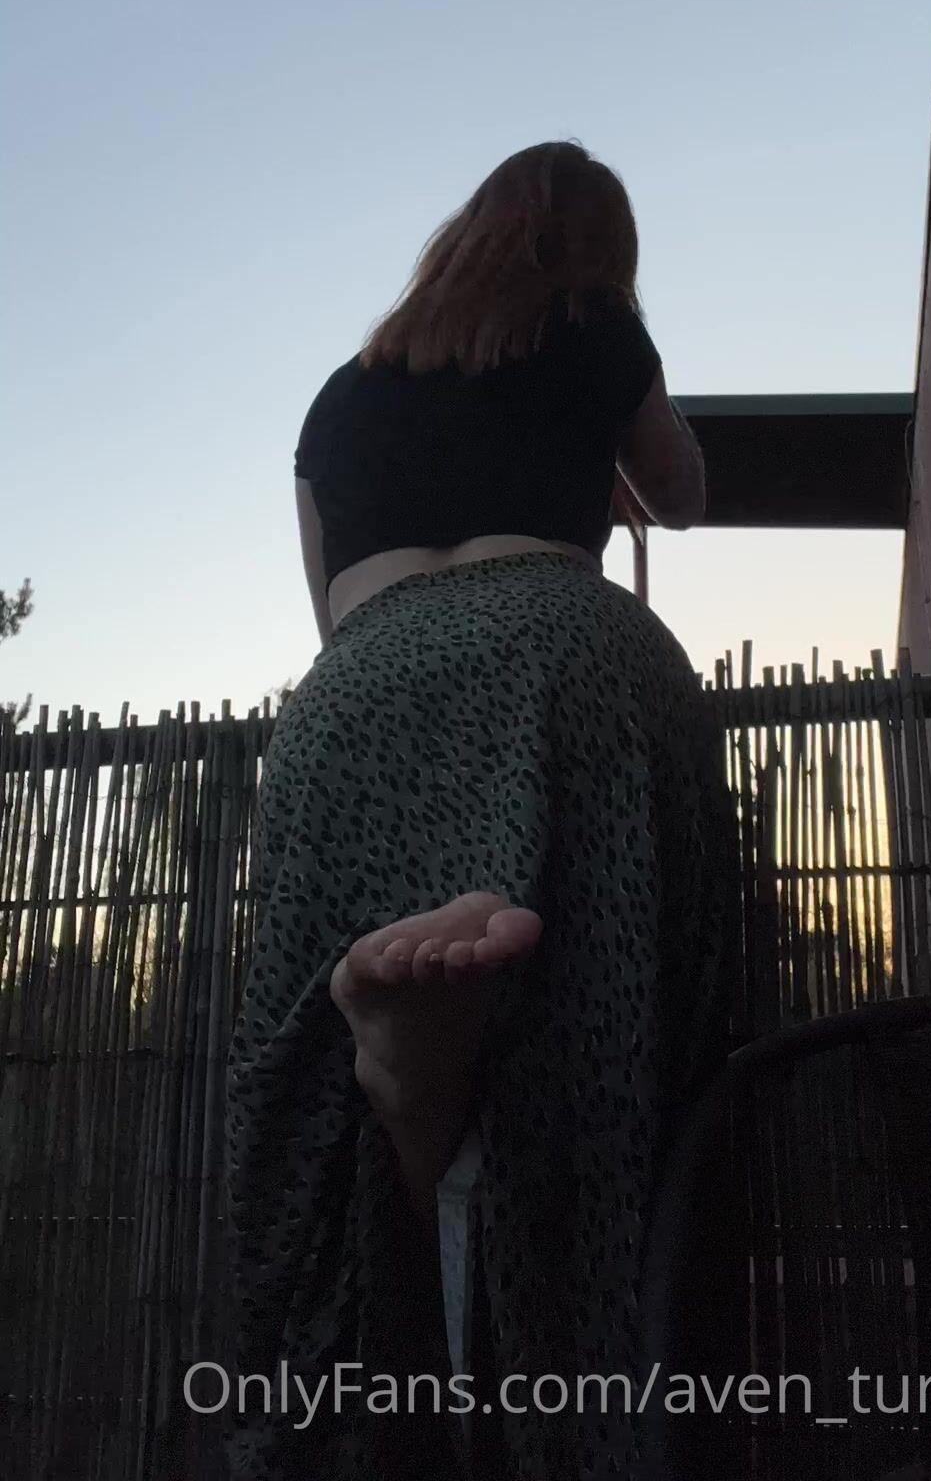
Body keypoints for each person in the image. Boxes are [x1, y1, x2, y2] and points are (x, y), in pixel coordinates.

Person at [224, 141, 739, 1480]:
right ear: (597, 246)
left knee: (314, 1084)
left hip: (358, 692)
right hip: (565, 655)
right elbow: (686, 496)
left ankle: (403, 1123)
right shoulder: (596, 322)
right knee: (606, 1038)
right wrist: (617, 454)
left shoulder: (340, 394)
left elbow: (331, 614)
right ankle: (586, 1415)